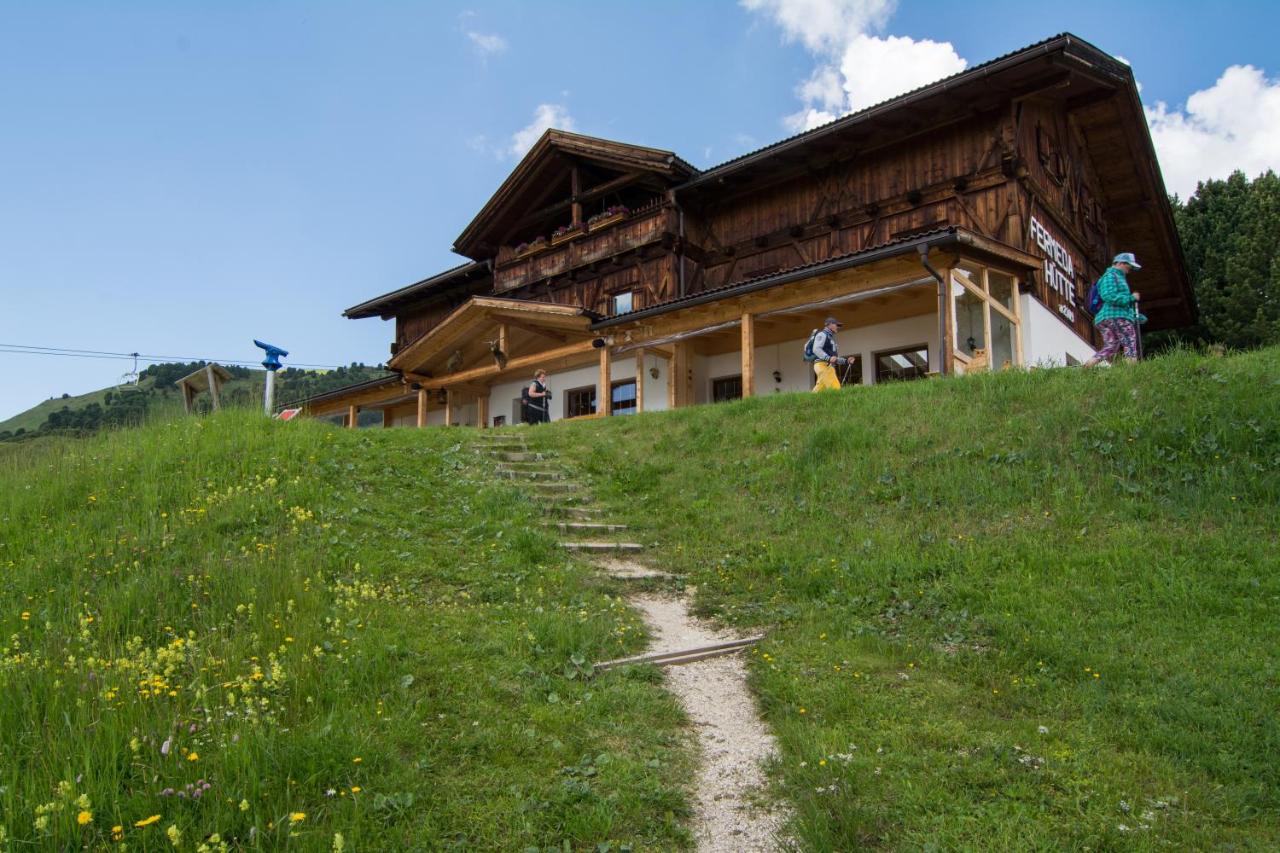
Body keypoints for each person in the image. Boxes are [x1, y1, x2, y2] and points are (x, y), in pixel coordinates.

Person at [1084, 252, 1146, 367]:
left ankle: (1089, 365)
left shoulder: (1117, 277)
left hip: (1107, 317)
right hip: (1114, 315)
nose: (1129, 270)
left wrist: (1135, 316)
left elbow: (1122, 305)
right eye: (1129, 266)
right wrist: (1131, 298)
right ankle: (1133, 369)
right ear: (1120, 263)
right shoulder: (1111, 276)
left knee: (1111, 346)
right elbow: (1109, 296)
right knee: (1129, 340)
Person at [810, 317, 849, 391]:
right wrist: (828, 358)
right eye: (836, 325)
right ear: (830, 324)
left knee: (819, 390)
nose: (837, 327)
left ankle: (810, 399)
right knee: (835, 388)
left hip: (828, 366)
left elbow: (833, 358)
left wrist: (846, 361)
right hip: (822, 365)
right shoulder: (822, 334)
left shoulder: (831, 338)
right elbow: (816, 349)